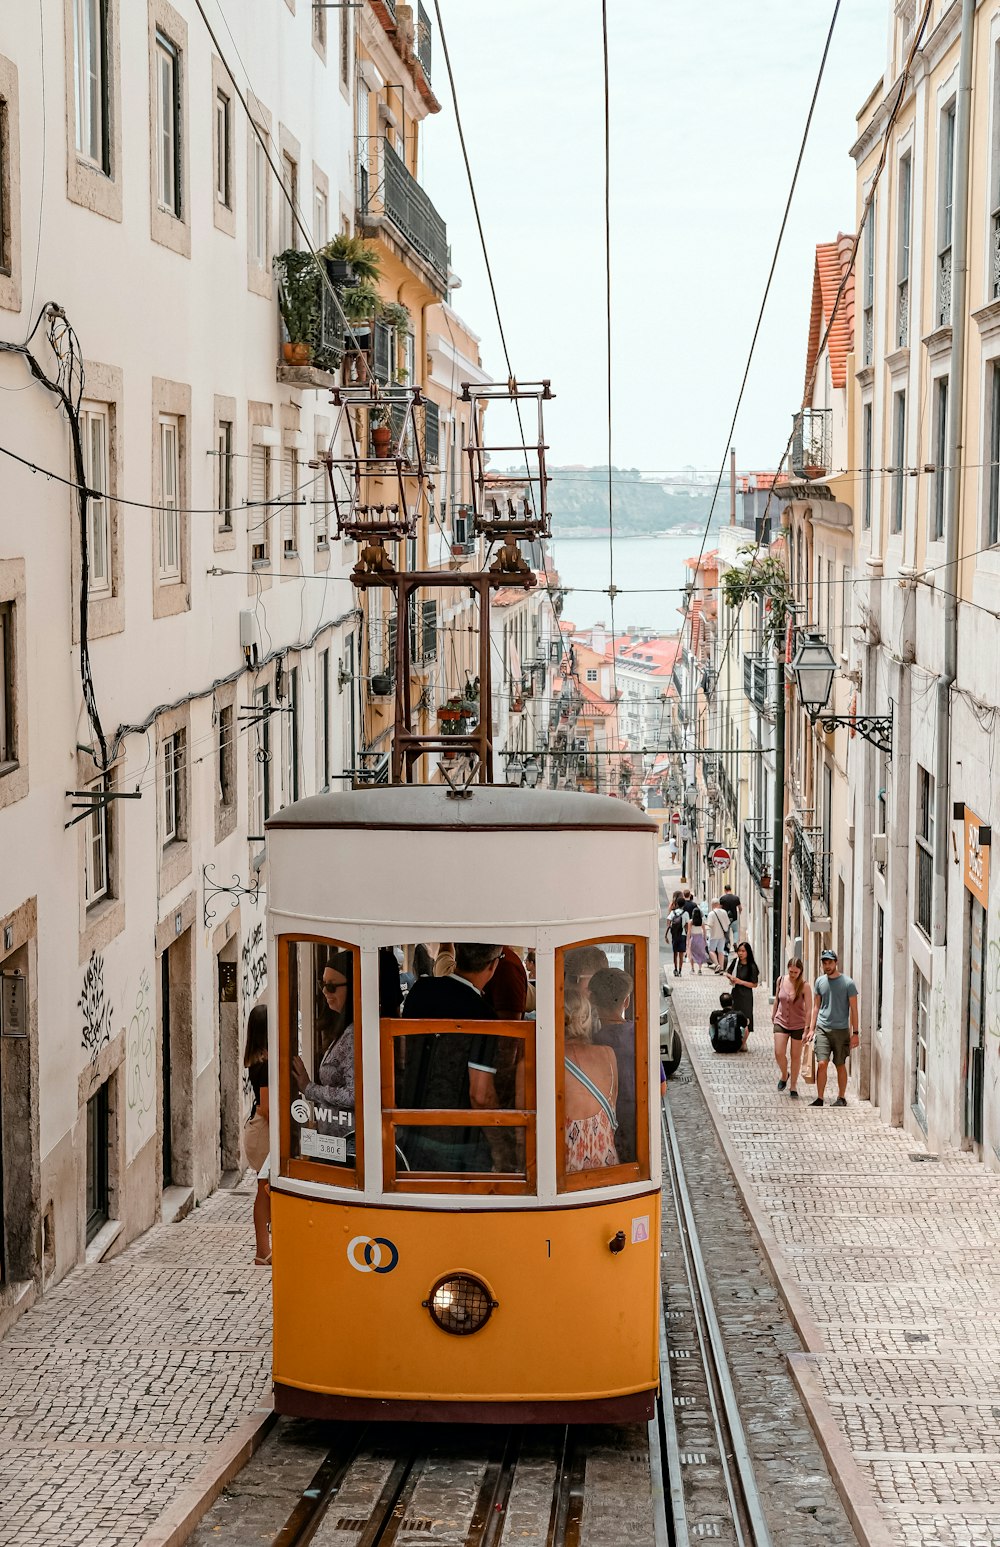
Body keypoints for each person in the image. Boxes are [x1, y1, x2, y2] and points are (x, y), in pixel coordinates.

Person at [400, 942, 503, 1171]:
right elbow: (481, 1095)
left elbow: (402, 1056)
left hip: (409, 1126)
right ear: (493, 966)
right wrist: (500, 1145)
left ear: (457, 955)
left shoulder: (420, 991)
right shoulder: (484, 1016)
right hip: (457, 1142)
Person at [291, 951, 355, 1133]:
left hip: (349, 1146)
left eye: (332, 986)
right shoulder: (344, 1027)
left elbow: (354, 1095)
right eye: (323, 984)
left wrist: (309, 1089)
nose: (325, 991)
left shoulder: (355, 1035)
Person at [564, 986, 619, 1173]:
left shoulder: (540, 1060)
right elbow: (613, 1106)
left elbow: (523, 1135)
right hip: (606, 1172)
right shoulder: (608, 1055)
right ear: (588, 1019)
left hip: (562, 1175)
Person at [589, 967, 636, 1162]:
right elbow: (661, 1086)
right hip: (636, 1127)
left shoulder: (591, 1040)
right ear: (626, 1001)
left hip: (601, 1130)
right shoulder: (640, 1035)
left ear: (592, 999)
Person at [807, 948, 859, 1107]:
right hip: (822, 1028)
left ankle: (841, 1097)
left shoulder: (848, 983)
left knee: (840, 1063)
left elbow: (854, 1009)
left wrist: (855, 1033)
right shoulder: (819, 982)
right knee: (822, 1063)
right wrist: (811, 1029)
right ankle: (820, 1098)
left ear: (836, 962)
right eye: (824, 962)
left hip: (841, 1030)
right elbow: (816, 1007)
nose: (827, 965)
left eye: (830, 962)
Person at [243, 1003, 271, 1266]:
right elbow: (266, 1106)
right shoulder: (264, 1064)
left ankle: (265, 1250)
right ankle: (263, 1251)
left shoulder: (258, 1059)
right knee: (265, 1191)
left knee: (267, 1191)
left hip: (260, 1130)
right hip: (265, 1132)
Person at [771, 957, 812, 1099]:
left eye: (796, 972)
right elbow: (777, 998)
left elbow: (809, 1009)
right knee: (779, 1052)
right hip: (781, 1020)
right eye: (791, 971)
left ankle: (793, 1085)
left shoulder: (805, 986)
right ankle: (784, 1074)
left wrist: (808, 1028)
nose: (793, 974)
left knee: (795, 1056)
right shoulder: (781, 980)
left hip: (798, 1024)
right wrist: (774, 1013)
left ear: (800, 971)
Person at [724, 940, 759, 1027]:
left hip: (746, 995)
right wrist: (731, 977)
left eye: (743, 951)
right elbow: (727, 972)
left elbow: (754, 984)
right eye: (739, 951)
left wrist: (740, 982)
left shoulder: (752, 966)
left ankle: (743, 1039)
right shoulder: (736, 962)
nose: (740, 953)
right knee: (734, 1017)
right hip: (735, 993)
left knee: (745, 1018)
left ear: (748, 952)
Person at [706, 897, 731, 973]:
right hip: (722, 935)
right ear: (719, 904)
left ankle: (717, 965)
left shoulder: (711, 913)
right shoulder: (724, 912)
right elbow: (728, 923)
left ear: (713, 904)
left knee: (711, 950)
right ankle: (722, 968)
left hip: (714, 935)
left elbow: (710, 925)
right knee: (721, 951)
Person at [667, 892, 687, 977]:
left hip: (674, 935)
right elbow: (686, 925)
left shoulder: (673, 912)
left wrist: (667, 934)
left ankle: (675, 969)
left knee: (675, 953)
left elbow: (668, 922)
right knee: (681, 954)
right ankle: (680, 970)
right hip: (682, 935)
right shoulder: (685, 913)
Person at [686, 904, 709, 975]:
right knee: (700, 954)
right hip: (700, 938)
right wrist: (705, 940)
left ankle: (692, 969)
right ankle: (699, 969)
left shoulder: (690, 921)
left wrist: (687, 940)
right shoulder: (701, 921)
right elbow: (704, 932)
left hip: (693, 938)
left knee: (692, 954)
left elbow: (689, 932)